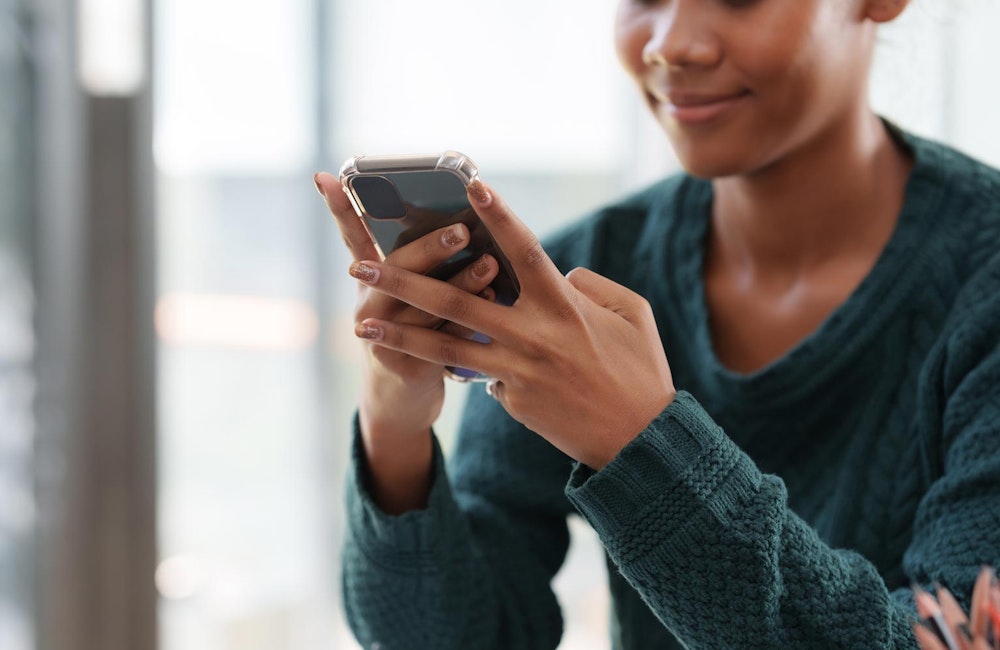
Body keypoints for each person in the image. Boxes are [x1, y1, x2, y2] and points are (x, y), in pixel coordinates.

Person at [314, 0, 1000, 647]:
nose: (671, 43)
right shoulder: (578, 275)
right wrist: (395, 421)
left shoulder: (983, 283)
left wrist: (641, 439)